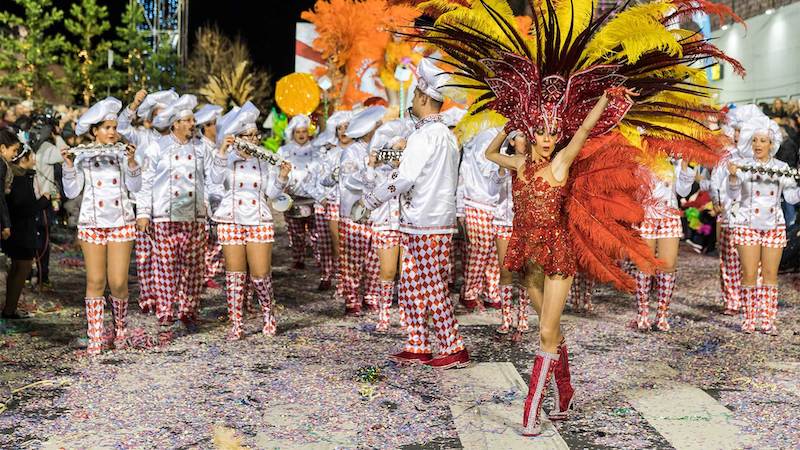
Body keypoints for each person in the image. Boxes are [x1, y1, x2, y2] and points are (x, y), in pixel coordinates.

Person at [415, 0, 740, 436]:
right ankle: (565, 390)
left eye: (554, 132)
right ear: (533, 133)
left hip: (557, 254)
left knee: (545, 331)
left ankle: (531, 411)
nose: (549, 138)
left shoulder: (560, 165)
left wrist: (604, 100)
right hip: (527, 250)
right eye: (542, 132)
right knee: (548, 330)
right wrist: (511, 124)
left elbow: (583, 131)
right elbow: (492, 153)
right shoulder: (521, 165)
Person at [360, 59, 470, 369]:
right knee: (412, 283)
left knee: (431, 284)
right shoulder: (445, 135)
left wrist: (372, 198)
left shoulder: (425, 136)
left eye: (414, 96)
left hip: (425, 222)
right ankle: (417, 344)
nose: (412, 101)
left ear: (422, 97)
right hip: (427, 221)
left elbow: (405, 178)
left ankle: (453, 346)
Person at [61, 97, 141, 355]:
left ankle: (120, 329)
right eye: (107, 127)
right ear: (95, 131)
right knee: (95, 280)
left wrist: (132, 163)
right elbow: (72, 192)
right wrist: (69, 166)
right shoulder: (83, 156)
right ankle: (95, 336)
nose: (112, 132)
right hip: (92, 223)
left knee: (117, 282)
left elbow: (136, 187)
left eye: (114, 127)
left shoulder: (123, 153)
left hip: (120, 222)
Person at [212, 102, 291, 339]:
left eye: (256, 135)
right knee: (234, 276)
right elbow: (215, 179)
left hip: (258, 218)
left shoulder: (264, 161)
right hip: (231, 218)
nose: (255, 139)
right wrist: (223, 151)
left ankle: (268, 313)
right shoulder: (225, 158)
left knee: (260, 274)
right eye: (249, 136)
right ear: (237, 137)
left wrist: (282, 177)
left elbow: (272, 193)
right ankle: (236, 324)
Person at [138, 94, 209, 334]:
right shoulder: (157, 147)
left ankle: (188, 310)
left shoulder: (201, 148)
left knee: (192, 266)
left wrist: (209, 207)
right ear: (175, 124)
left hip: (194, 215)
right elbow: (146, 182)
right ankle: (166, 310)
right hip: (164, 214)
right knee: (165, 265)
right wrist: (143, 212)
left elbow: (211, 180)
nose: (192, 124)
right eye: (188, 121)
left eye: (193, 120)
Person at [728, 111, 800, 335]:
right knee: (749, 273)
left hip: (773, 225)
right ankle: (749, 319)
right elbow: (732, 194)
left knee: (770, 274)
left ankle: (768, 320)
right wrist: (733, 177)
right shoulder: (741, 165)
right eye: (755, 140)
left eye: (763, 141)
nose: (758, 144)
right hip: (746, 224)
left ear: (771, 144)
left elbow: (791, 198)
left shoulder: (781, 167)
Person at [117, 89, 179, 314]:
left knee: (167, 256)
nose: (162, 119)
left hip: (169, 206)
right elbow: (121, 127)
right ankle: (148, 298)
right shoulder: (142, 137)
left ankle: (167, 301)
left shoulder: (177, 142)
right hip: (142, 203)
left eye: (166, 115)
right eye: (158, 115)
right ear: (151, 119)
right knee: (144, 256)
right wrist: (134, 104)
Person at [633, 159, 695, 331]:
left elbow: (683, 191)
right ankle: (642, 313)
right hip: (646, 213)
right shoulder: (642, 152)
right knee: (644, 264)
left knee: (668, 265)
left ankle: (662, 315)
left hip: (669, 214)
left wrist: (684, 166)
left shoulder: (678, 157)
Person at [363, 119, 413, 332]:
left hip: (408, 226)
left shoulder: (412, 172)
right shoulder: (379, 173)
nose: (398, 154)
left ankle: (405, 314)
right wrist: (371, 165)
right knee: (388, 270)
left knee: (406, 273)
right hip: (385, 225)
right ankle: (384, 314)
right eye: (395, 150)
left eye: (403, 150)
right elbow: (367, 190)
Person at [337, 106, 386, 315]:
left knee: (375, 259)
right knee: (353, 260)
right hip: (354, 214)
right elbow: (349, 181)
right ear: (368, 130)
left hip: (377, 214)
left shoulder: (382, 150)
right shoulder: (350, 152)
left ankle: (371, 296)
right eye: (378, 126)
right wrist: (370, 169)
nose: (382, 129)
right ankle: (351, 299)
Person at [458, 125, 504, 311]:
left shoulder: (503, 135)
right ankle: (469, 293)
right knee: (480, 250)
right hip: (477, 201)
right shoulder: (484, 136)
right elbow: (485, 170)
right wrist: (460, 209)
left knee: (494, 252)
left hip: (498, 206)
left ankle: (491, 292)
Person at [491, 131, 530, 338]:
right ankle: (506, 318)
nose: (525, 140)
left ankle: (523, 316)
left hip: (525, 225)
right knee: (505, 271)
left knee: (525, 272)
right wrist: (502, 169)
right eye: (521, 136)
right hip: (504, 223)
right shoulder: (503, 162)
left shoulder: (534, 164)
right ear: (512, 141)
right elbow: (492, 190)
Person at [277, 116, 317, 270]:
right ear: (292, 133)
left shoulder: (316, 149)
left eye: (304, 131)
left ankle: (319, 259)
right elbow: (277, 172)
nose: (301, 135)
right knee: (296, 232)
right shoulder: (284, 151)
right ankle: (298, 259)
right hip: (292, 197)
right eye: (298, 132)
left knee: (315, 232)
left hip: (313, 198)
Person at [194, 104, 225, 289]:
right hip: (206, 199)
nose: (216, 127)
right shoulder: (201, 148)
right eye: (212, 124)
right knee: (204, 239)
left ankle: (211, 273)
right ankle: (204, 274)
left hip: (220, 198)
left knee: (216, 238)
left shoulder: (218, 147)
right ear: (205, 127)